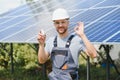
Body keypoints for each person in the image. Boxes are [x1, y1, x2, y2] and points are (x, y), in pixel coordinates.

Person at [37, 8, 97, 80]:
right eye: (57, 23)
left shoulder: (77, 40)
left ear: (68, 23)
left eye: (63, 22)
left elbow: (94, 54)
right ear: (54, 24)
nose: (60, 25)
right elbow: (41, 60)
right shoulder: (51, 41)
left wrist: (82, 35)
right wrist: (41, 45)